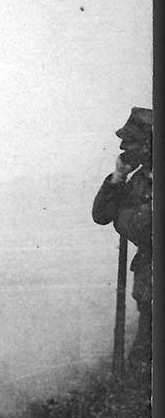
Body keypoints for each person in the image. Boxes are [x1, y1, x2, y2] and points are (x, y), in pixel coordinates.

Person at [92, 106, 153, 362]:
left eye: (131, 143)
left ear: (149, 144)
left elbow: (143, 229)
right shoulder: (139, 180)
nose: (124, 150)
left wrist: (122, 217)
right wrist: (118, 177)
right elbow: (101, 215)